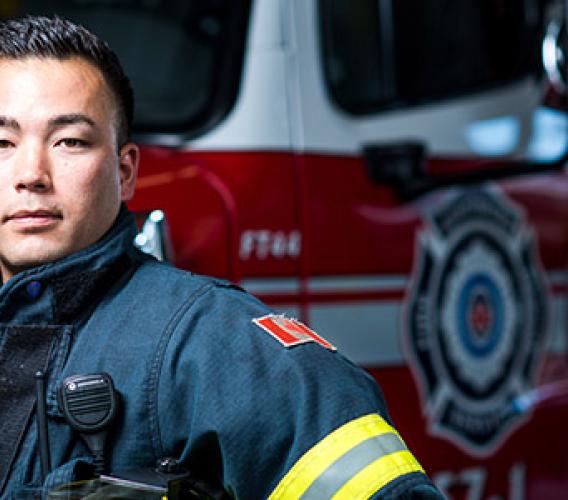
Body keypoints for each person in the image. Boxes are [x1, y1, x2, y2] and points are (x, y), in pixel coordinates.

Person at [0, 15, 443, 499]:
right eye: (2, 143)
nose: (31, 174)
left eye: (70, 141)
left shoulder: (212, 346)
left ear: (125, 173)